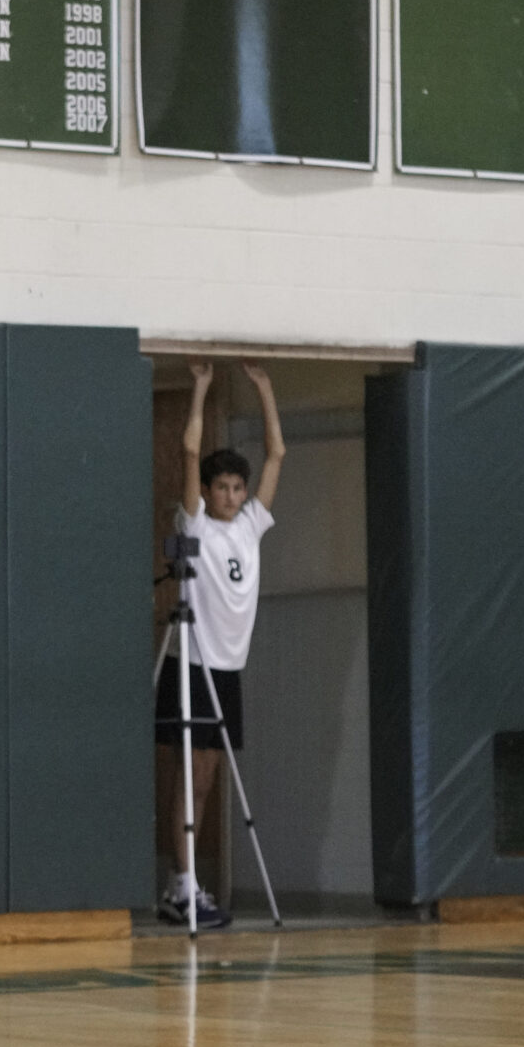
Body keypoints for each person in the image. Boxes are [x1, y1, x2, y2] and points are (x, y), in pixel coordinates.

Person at [157, 359, 284, 928]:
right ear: (206, 493)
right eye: (222, 487)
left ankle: (185, 884)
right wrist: (201, 389)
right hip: (193, 664)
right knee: (195, 779)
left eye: (238, 487)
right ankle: (181, 886)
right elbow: (188, 452)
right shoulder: (198, 527)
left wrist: (264, 388)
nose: (231, 495)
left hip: (229, 669)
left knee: (212, 784)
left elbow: (278, 455)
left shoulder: (251, 526)